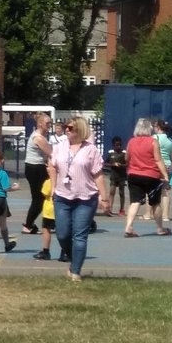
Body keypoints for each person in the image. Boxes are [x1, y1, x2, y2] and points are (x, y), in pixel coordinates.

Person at [49, 115, 110, 281]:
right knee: (62, 234)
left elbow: (98, 175)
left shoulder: (91, 150)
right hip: (62, 197)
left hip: (85, 198)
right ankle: (74, 258)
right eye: (66, 127)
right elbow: (52, 167)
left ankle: (75, 271)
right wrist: (53, 187)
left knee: (80, 236)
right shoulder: (59, 147)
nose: (66, 130)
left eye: (70, 128)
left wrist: (104, 198)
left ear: (80, 130)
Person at [123, 117, 169, 237]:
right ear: (149, 129)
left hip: (134, 174)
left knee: (135, 202)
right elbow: (158, 160)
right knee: (155, 203)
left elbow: (126, 158)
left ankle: (129, 226)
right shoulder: (153, 142)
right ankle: (160, 228)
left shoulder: (131, 141)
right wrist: (165, 175)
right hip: (151, 175)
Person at [22, 112, 52, 234]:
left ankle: (31, 224)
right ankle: (28, 225)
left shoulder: (42, 136)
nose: (50, 125)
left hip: (38, 167)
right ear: (40, 124)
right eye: (47, 123)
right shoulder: (38, 138)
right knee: (39, 198)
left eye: (50, 122)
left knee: (43, 196)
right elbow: (51, 153)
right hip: (35, 169)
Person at [32, 175, 59, 262]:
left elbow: (44, 193)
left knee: (46, 230)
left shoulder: (49, 182)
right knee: (63, 231)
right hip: (61, 209)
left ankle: (46, 251)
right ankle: (65, 252)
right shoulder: (63, 181)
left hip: (49, 211)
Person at [155, 119, 172, 223]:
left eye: (155, 127)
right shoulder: (170, 140)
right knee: (165, 191)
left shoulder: (155, 138)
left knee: (152, 190)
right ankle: (166, 215)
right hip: (168, 166)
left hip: (157, 166)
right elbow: (171, 155)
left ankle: (149, 214)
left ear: (158, 128)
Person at [105, 136, 127, 216]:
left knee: (121, 192)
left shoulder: (124, 153)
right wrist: (112, 164)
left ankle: (122, 209)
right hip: (113, 175)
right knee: (112, 192)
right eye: (117, 145)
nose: (118, 147)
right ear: (113, 145)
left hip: (122, 176)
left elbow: (128, 164)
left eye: (120, 145)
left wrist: (121, 165)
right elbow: (105, 163)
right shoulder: (110, 153)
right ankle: (109, 208)